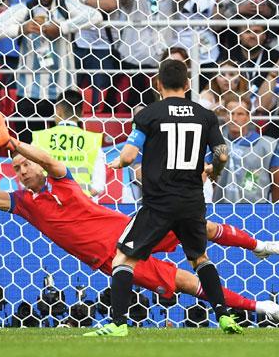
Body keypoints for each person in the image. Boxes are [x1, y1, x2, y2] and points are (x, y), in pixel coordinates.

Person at [0, 113, 279, 331]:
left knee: (200, 228)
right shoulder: (25, 204)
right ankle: (261, 307)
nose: (22, 170)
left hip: (129, 230)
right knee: (184, 282)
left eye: (24, 164)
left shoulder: (61, 181)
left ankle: (259, 246)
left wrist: (13, 143)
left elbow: (51, 160)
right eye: (16, 168)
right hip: (112, 261)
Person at [99, 59, 241, 335]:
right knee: (199, 258)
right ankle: (224, 316)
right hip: (191, 201)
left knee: (123, 259)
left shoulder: (148, 115)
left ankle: (118, 324)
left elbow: (129, 156)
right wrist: (215, 171)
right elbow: (222, 153)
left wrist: (117, 163)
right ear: (188, 85)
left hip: (159, 202)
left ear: (157, 84)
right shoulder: (205, 115)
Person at [0, 0, 102, 143]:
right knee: (29, 146)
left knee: (65, 146)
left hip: (64, 90)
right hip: (30, 91)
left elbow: (96, 16)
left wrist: (62, 27)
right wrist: (20, 29)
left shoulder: (66, 6)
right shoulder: (24, 10)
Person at [31, 89, 106, 198]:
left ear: (58, 110)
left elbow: (31, 176)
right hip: (82, 209)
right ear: (82, 113)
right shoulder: (92, 140)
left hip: (48, 206)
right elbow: (98, 185)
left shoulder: (41, 138)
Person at [214, 96, 279, 203]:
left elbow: (278, 184)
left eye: (240, 114)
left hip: (255, 210)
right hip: (222, 209)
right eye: (230, 113)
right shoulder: (215, 142)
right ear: (225, 116)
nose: (234, 119)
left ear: (249, 117)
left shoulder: (266, 145)